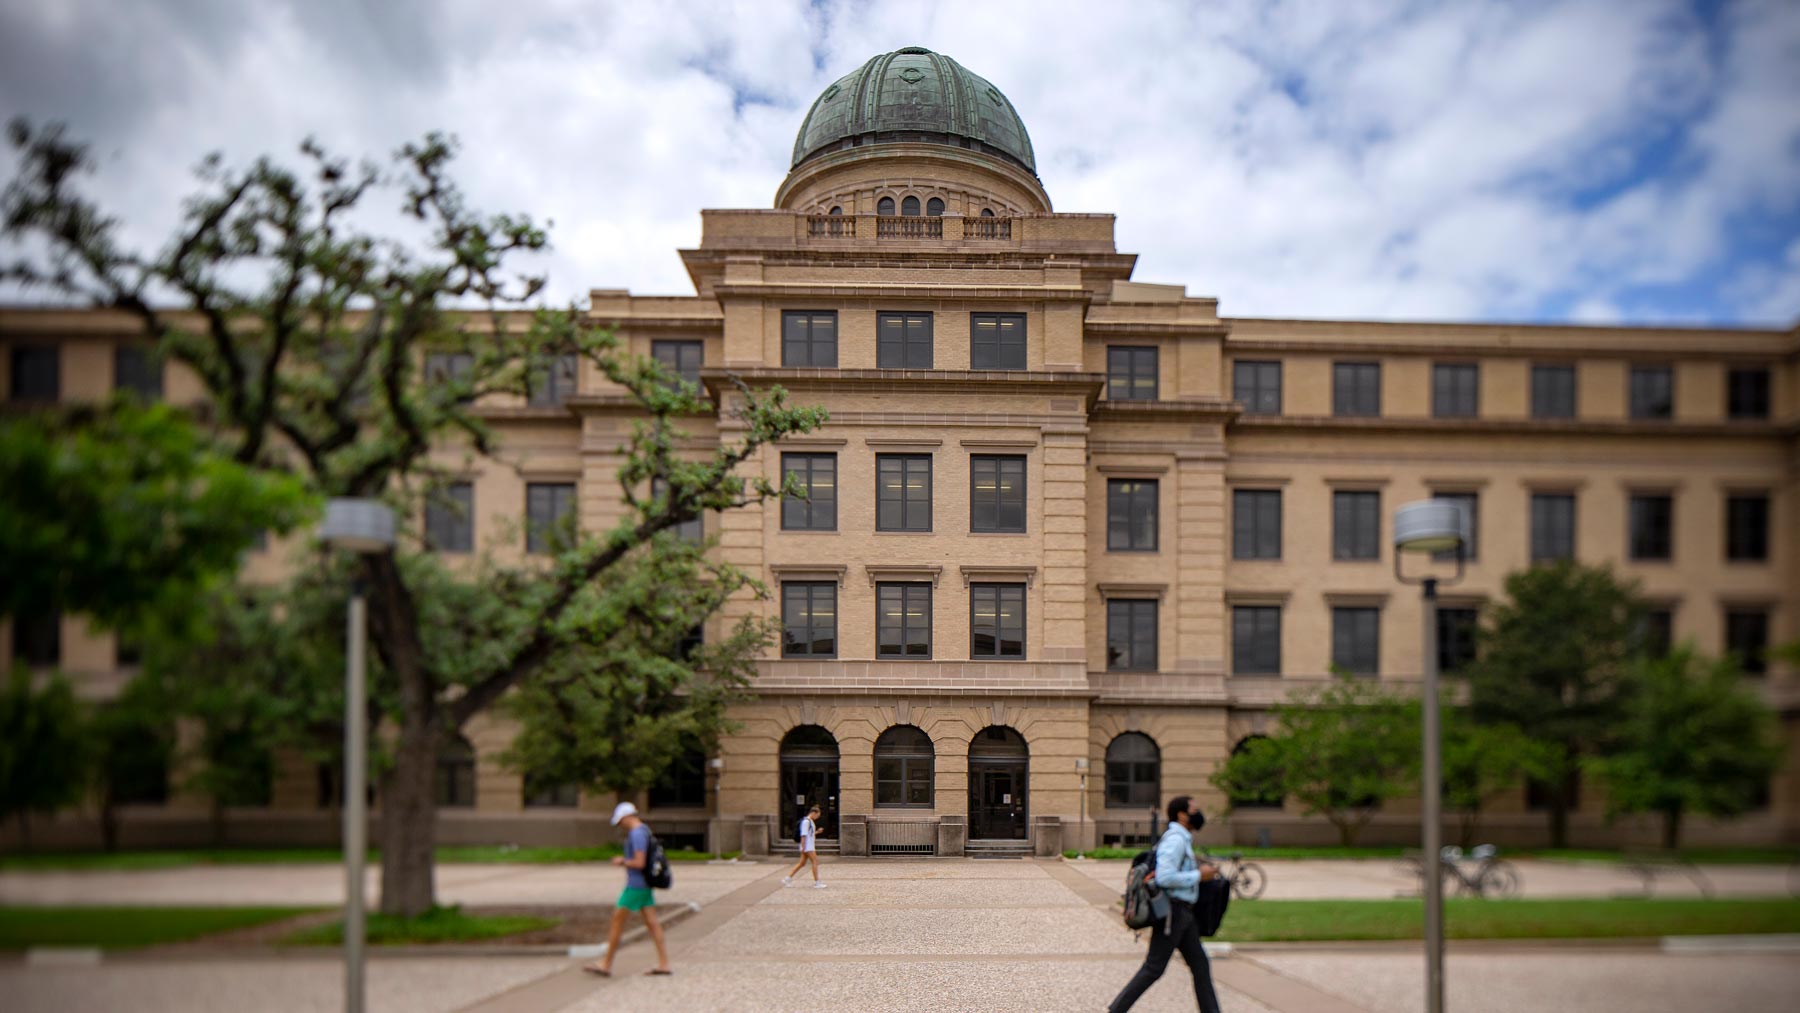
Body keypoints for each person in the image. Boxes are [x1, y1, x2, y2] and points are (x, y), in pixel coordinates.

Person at [1108, 795, 1222, 1013]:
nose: (1198, 814)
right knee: (1153, 968)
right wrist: (1198, 875)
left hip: (1183, 914)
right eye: (1193, 810)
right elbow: (1164, 877)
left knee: (1200, 966)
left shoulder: (1181, 839)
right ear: (1181, 814)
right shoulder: (1175, 840)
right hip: (1173, 912)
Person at [583, 801, 672, 977]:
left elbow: (639, 862)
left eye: (620, 821)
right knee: (652, 924)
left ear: (626, 817)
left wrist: (621, 861)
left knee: (617, 921)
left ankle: (606, 963)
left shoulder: (636, 834)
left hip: (636, 886)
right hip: (644, 885)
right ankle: (664, 963)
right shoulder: (645, 830)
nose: (620, 825)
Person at [781, 803, 827, 889]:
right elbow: (803, 835)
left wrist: (817, 832)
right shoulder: (806, 822)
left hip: (807, 846)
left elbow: (809, 834)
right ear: (814, 813)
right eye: (817, 815)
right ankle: (817, 882)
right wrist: (803, 847)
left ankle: (787, 878)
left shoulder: (809, 822)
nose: (817, 817)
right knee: (815, 862)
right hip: (808, 846)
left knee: (801, 863)